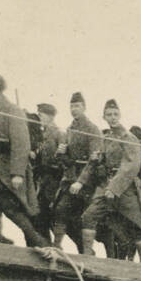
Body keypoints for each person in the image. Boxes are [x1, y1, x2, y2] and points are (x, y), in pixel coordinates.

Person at [72, 98, 141, 261]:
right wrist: (80, 181)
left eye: (115, 114)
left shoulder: (129, 138)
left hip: (126, 189)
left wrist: (114, 188)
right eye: (109, 114)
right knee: (88, 217)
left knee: (138, 227)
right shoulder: (106, 139)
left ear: (120, 115)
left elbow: (131, 166)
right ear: (104, 117)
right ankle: (86, 258)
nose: (112, 117)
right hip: (106, 186)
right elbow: (94, 162)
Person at [0, 73, 49, 247]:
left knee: (11, 209)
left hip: (7, 167)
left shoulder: (13, 110)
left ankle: (41, 243)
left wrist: (17, 173)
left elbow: (21, 143)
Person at [52, 91, 102, 251]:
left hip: (87, 182)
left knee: (87, 219)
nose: (74, 109)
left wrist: (81, 182)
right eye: (72, 106)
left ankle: (88, 253)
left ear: (84, 107)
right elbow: (65, 159)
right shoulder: (70, 128)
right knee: (60, 210)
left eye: (77, 106)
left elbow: (94, 160)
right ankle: (57, 246)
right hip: (71, 179)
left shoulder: (92, 129)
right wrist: (60, 152)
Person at [31, 102, 62, 243]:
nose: (39, 117)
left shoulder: (58, 133)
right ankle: (46, 244)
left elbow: (61, 158)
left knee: (47, 215)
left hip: (54, 181)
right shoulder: (42, 134)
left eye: (41, 115)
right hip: (43, 180)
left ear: (50, 116)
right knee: (40, 215)